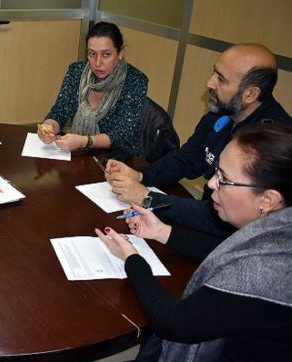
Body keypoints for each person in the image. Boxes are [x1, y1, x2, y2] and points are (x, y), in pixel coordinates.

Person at [95, 123, 292, 361]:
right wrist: (161, 232)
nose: (210, 184)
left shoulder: (264, 272)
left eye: (224, 179)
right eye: (215, 172)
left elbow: (174, 323)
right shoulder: (276, 234)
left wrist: (132, 258)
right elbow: (220, 249)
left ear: (268, 200)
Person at [106, 43, 291, 235]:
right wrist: (140, 175)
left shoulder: (273, 145)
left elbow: (222, 220)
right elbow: (185, 159)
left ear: (250, 94)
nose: (209, 83)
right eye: (214, 73)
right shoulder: (221, 112)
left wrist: (147, 197)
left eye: (221, 79)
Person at [37, 21, 148, 155]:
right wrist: (49, 126)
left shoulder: (135, 80)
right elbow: (60, 111)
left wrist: (85, 141)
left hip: (117, 158)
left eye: (106, 54)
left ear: (120, 53)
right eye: (92, 54)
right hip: (77, 153)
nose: (97, 63)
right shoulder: (77, 72)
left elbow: (121, 135)